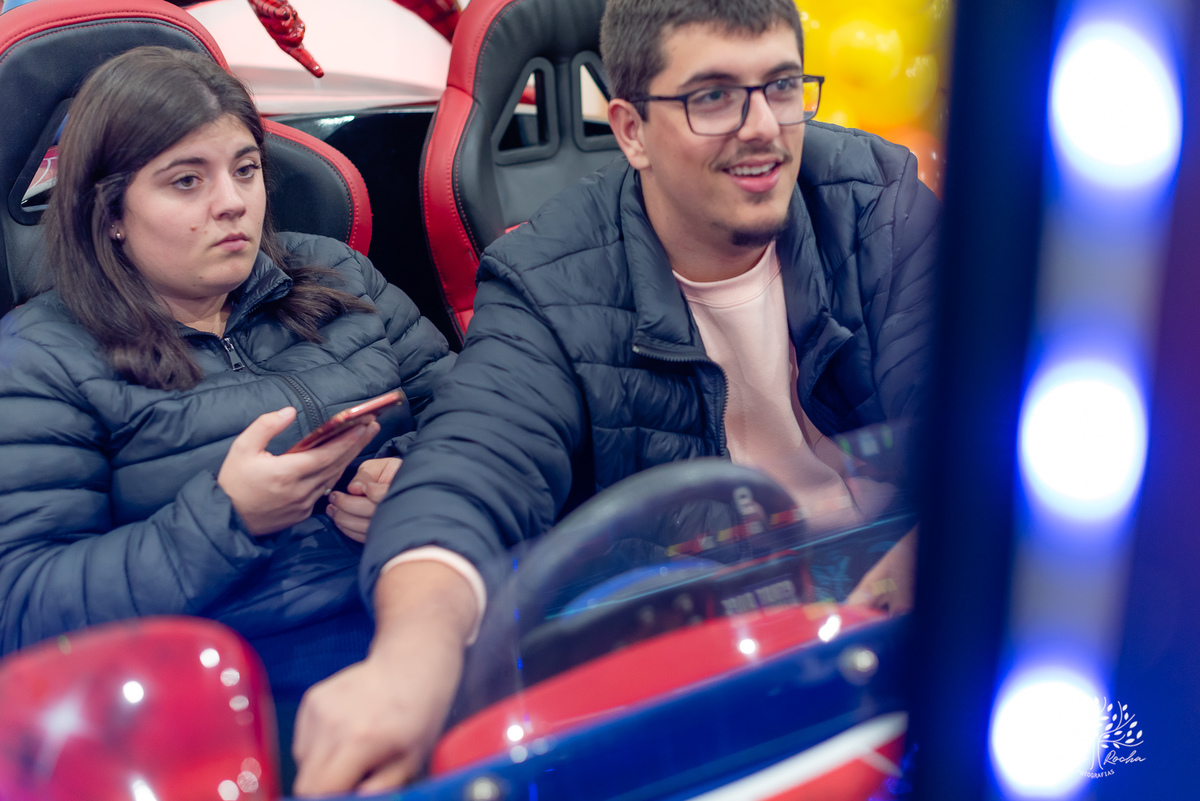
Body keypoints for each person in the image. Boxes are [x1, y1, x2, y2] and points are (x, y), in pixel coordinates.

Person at [291, 0, 938, 794]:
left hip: (903, 604)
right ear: (630, 129)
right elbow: (469, 468)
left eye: (779, 86)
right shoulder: (549, 274)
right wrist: (408, 663)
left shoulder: (876, 197)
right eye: (712, 97)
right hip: (701, 643)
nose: (764, 127)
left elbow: (977, 412)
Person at [0, 46, 453, 706]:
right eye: (187, 181)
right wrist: (227, 518)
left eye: (246, 170)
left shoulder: (336, 275)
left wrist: (417, 474)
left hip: (424, 619)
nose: (233, 203)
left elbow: (478, 412)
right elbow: (23, 608)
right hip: (223, 697)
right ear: (113, 213)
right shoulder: (40, 358)